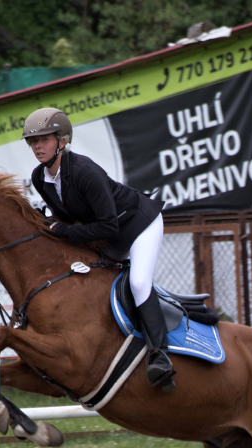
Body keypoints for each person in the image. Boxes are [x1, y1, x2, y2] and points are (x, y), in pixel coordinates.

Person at [23, 107, 176, 392]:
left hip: (138, 225)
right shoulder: (39, 177)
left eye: (44, 139)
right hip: (107, 235)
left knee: (138, 282)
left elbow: (108, 226)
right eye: (33, 141)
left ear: (62, 141)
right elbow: (66, 218)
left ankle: (160, 356)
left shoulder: (85, 171)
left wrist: (63, 231)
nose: (37, 146)